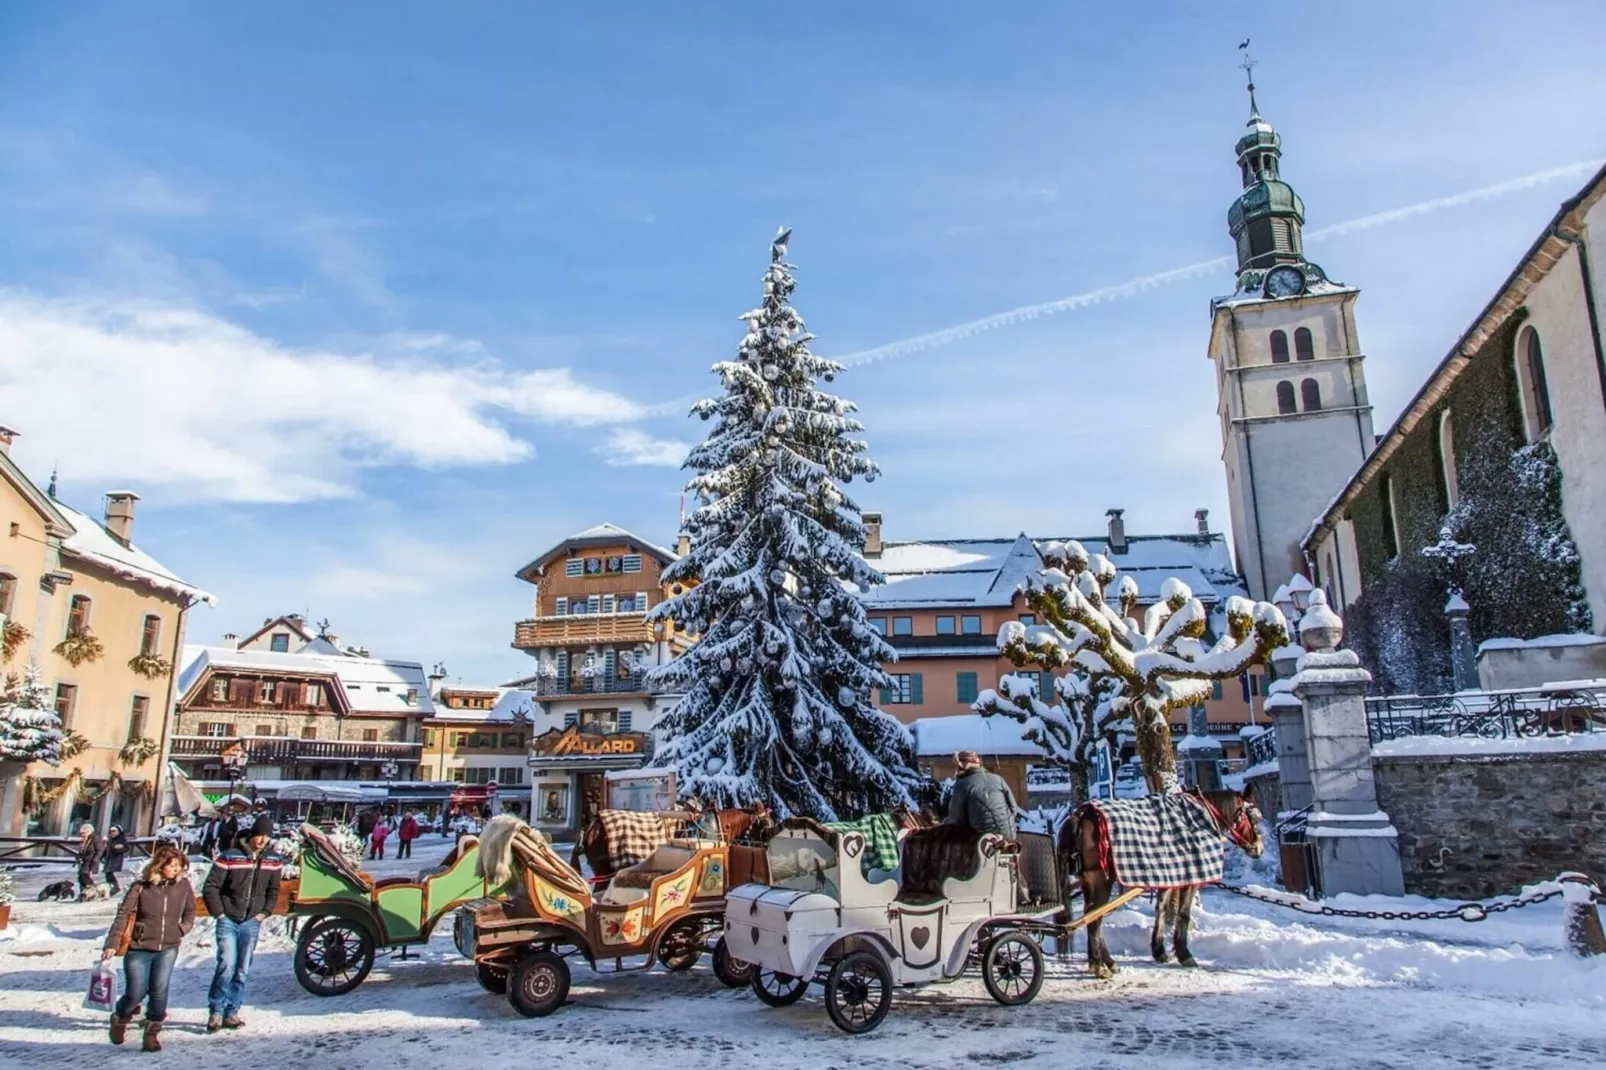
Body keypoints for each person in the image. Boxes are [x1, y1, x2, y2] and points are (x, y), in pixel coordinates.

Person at [103, 845, 195, 1052]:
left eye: (179, 866)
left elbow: (190, 912)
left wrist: (182, 929)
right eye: (172, 866)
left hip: (168, 946)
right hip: (140, 946)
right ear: (160, 865)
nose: (176, 870)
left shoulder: (183, 886)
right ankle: (120, 1018)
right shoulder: (141, 886)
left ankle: (152, 1033)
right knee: (136, 992)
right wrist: (112, 943)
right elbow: (124, 915)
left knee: (159, 991)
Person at [201, 814, 282, 1033]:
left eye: (267, 837)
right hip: (228, 918)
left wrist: (264, 913)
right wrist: (219, 913)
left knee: (242, 970)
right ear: (253, 834)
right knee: (226, 965)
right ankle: (216, 1010)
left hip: (252, 920)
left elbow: (274, 890)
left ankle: (232, 1010)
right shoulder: (230, 856)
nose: (263, 841)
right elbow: (210, 887)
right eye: (260, 836)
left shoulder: (273, 860)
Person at [945, 750, 1020, 840]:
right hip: (1009, 835)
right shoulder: (998, 779)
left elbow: (957, 819)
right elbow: (1014, 808)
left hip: (982, 839)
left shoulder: (962, 785)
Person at [75, 823, 106, 900]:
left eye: (84, 833)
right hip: (84, 861)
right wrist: (79, 856)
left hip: (91, 861)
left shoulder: (95, 838)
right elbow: (82, 850)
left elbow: (100, 850)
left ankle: (93, 892)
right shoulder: (85, 839)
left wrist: (95, 859)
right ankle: (83, 894)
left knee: (85, 877)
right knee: (81, 878)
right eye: (81, 833)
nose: (82, 835)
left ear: (89, 832)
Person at [104, 825, 130, 894]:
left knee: (109, 873)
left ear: (119, 832)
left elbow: (127, 848)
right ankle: (112, 887)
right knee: (107, 873)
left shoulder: (121, 839)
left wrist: (118, 850)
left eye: (114, 831)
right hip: (109, 858)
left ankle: (115, 887)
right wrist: (103, 855)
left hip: (116, 859)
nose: (112, 833)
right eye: (111, 831)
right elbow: (107, 849)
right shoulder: (110, 839)